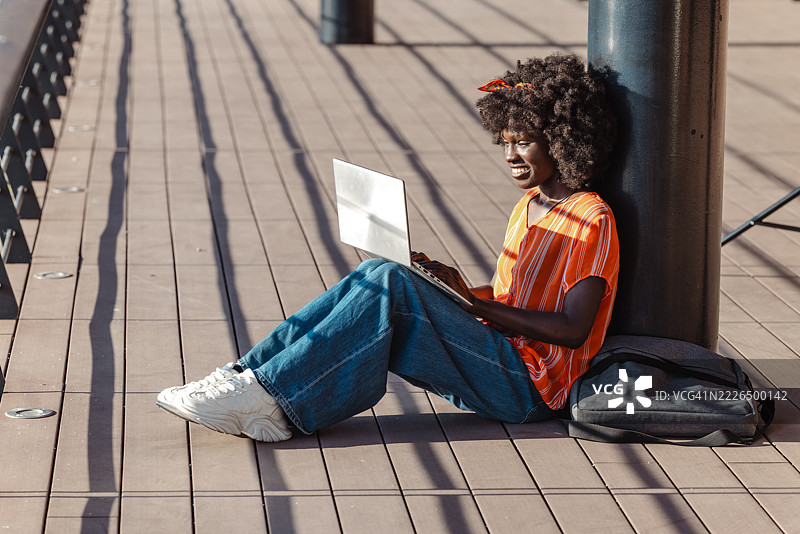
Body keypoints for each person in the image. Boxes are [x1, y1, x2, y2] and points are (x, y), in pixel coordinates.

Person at [156, 53, 619, 442]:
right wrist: (454, 289)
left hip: (533, 389)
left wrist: (476, 308)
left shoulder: (592, 218)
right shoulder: (530, 205)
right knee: (382, 272)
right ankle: (247, 377)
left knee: (392, 282)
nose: (509, 156)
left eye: (525, 143)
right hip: (498, 351)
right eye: (505, 141)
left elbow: (573, 329)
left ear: (562, 141)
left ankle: (271, 396)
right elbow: (513, 298)